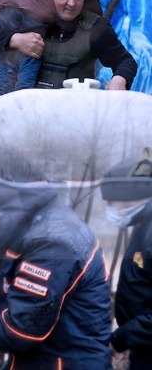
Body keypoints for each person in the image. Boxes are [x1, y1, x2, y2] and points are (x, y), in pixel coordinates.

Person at [0, 149, 113, 369]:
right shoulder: (39, 225)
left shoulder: (50, 241)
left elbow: (21, 329)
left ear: (3, 196)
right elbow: (25, 282)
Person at [0, 0, 137, 93]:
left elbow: (126, 61)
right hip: (27, 113)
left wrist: (120, 78)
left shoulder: (95, 27)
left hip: (72, 117)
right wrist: (16, 40)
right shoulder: (31, 17)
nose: (72, 3)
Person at [100, 148, 152, 369]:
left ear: (132, 196)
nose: (112, 209)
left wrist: (121, 339)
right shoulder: (145, 225)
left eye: (114, 202)